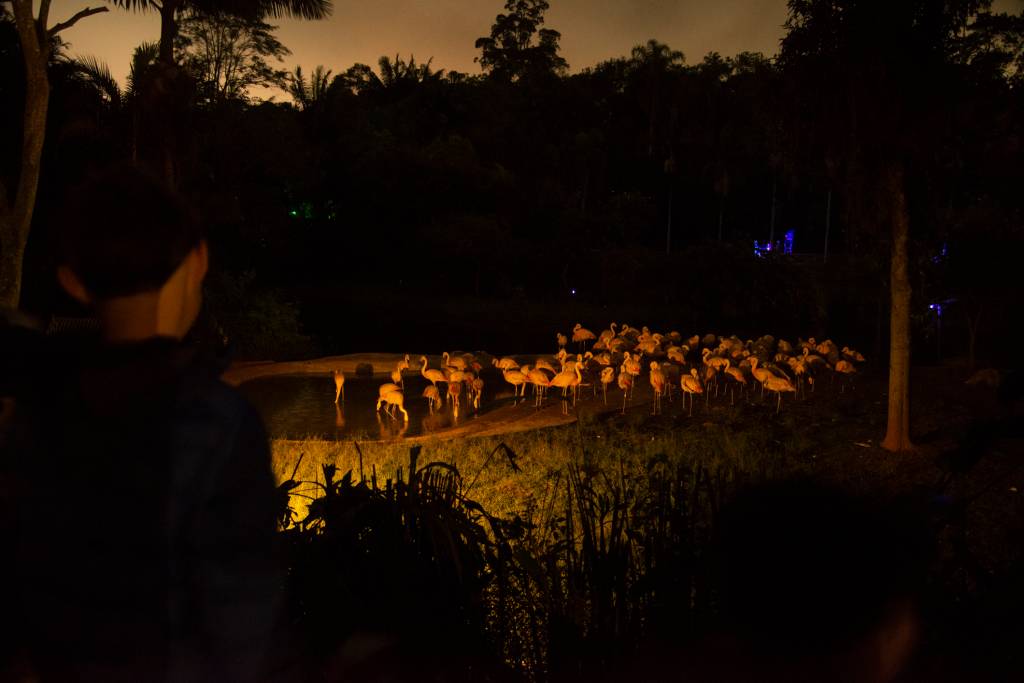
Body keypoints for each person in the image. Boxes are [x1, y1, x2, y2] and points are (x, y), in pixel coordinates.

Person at [5, 164, 289, 681]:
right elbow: (241, 609)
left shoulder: (35, 414)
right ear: (199, 260)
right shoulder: (218, 422)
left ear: (72, 281)